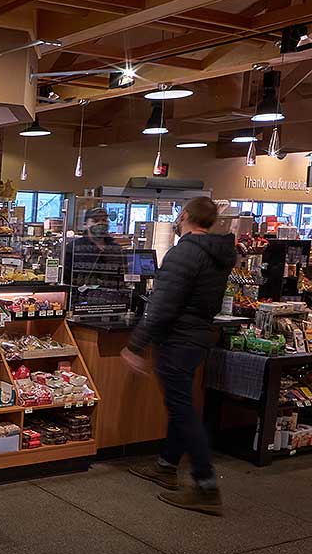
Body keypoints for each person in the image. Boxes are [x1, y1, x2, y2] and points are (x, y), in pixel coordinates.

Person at [121, 196, 236, 513]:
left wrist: (135, 345)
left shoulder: (184, 252)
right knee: (181, 402)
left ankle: (205, 485)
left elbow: (163, 305)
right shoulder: (217, 254)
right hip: (198, 337)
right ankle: (166, 465)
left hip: (178, 338)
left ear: (185, 215)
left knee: (182, 409)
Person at [64, 206, 127, 296]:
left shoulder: (116, 249)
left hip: (111, 301)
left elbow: (122, 277)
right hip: (80, 300)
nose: (101, 223)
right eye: (95, 220)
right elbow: (66, 278)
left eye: (104, 220)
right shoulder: (74, 248)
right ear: (85, 224)